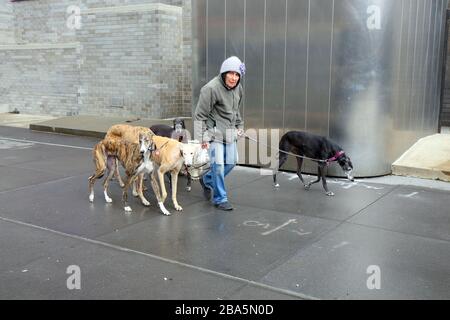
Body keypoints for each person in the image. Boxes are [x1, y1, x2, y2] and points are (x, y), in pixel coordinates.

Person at [193, 56, 245, 211]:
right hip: (213, 133)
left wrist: (239, 126)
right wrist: (202, 138)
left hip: (229, 133)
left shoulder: (238, 89)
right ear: (223, 73)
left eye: (237, 75)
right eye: (231, 73)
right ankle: (220, 198)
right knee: (219, 166)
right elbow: (199, 116)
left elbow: (236, 112)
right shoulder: (210, 89)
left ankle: (207, 179)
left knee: (232, 161)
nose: (234, 78)